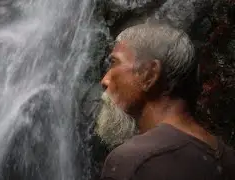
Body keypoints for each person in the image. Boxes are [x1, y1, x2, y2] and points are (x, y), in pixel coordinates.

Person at [95, 22, 235, 180]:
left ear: (149, 74)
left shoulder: (134, 162)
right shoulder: (228, 159)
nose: (104, 80)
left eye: (114, 62)